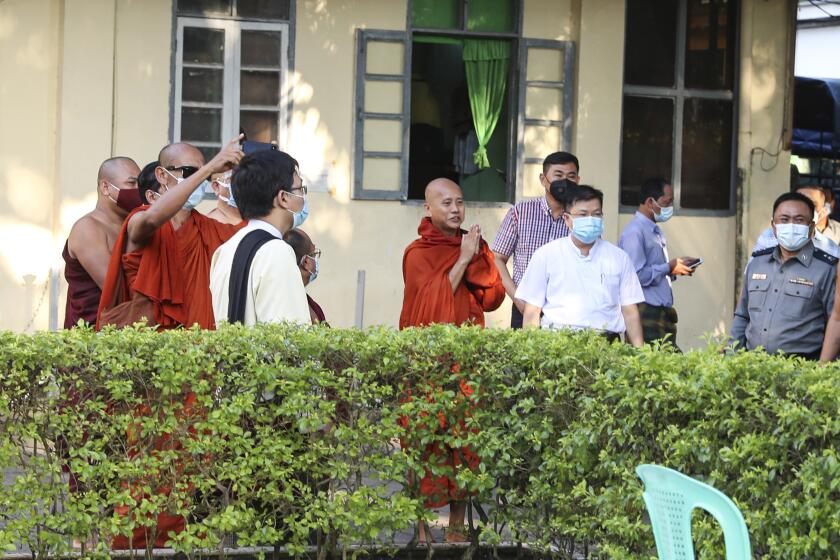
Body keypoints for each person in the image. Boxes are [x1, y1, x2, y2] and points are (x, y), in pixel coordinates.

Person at [399, 178, 505, 543]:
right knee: (426, 442)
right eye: (446, 203)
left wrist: (479, 254)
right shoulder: (417, 253)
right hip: (428, 364)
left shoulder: (473, 246)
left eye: (460, 202)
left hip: (466, 362)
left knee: (465, 442)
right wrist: (463, 258)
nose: (456, 209)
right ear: (428, 208)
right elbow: (431, 307)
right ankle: (422, 528)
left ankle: (457, 529)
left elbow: (491, 298)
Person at [97, 137, 245, 331]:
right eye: (191, 172)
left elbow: (252, 238)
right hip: (153, 350)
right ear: (162, 175)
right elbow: (152, 219)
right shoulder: (139, 219)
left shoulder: (207, 227)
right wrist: (208, 169)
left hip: (200, 348)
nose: (200, 180)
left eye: (204, 176)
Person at [516, 184, 645, 346]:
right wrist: (531, 353)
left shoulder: (619, 258)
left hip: (607, 345)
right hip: (557, 344)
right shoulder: (546, 255)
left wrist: (640, 354)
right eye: (583, 215)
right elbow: (532, 310)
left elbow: (630, 311)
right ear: (567, 219)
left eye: (596, 214)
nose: (590, 220)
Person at [210, 149, 310, 326]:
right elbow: (290, 339)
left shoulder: (226, 249)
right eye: (300, 189)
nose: (303, 197)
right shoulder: (277, 251)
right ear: (283, 198)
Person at [731, 192, 836, 360]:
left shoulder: (828, 269)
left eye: (799, 220)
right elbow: (742, 315)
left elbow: (836, 322)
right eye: (784, 219)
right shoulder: (758, 263)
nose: (791, 225)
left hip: (802, 373)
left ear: (811, 227)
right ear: (774, 226)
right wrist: (731, 356)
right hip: (751, 368)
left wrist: (823, 368)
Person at [491, 151, 580, 328]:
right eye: (558, 175)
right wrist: (518, 299)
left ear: (578, 180)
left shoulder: (583, 217)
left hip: (569, 310)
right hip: (524, 307)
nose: (565, 181)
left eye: (571, 176)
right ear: (543, 179)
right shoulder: (521, 213)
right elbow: (497, 258)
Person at [63, 157, 142, 328]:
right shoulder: (87, 228)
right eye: (131, 183)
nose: (138, 190)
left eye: (140, 184)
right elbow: (115, 289)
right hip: (92, 341)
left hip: (131, 335)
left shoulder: (131, 226)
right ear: (105, 187)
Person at [618, 177, 697, 346]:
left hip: (660, 312)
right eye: (666, 202)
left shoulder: (653, 230)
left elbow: (654, 271)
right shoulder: (635, 232)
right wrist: (668, 267)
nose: (669, 208)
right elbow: (636, 277)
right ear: (649, 202)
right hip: (646, 311)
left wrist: (675, 268)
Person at [751, 185, 840, 256]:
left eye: (812, 204)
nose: (804, 209)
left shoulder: (830, 247)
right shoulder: (768, 238)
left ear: (824, 211)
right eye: (798, 203)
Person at [284, 228, 327, 324]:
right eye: (314, 254)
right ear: (306, 262)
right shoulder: (289, 303)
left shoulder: (307, 301)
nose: (316, 259)